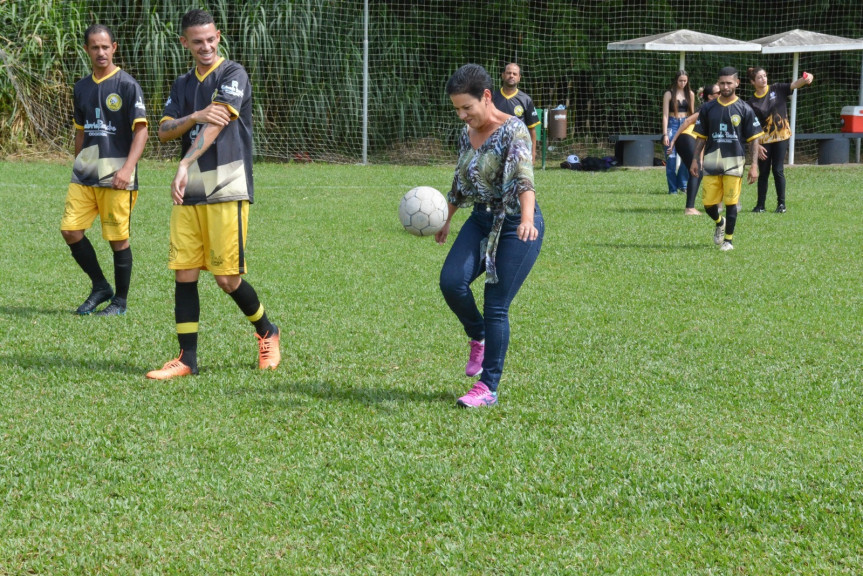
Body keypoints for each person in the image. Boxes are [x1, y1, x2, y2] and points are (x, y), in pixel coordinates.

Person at [147, 9, 280, 379]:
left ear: (218, 36)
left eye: (210, 39)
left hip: (226, 185)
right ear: (184, 43)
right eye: (197, 41)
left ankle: (268, 331)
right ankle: (186, 359)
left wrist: (185, 163)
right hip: (189, 193)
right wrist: (193, 116)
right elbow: (164, 130)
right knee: (185, 272)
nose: (205, 46)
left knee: (227, 279)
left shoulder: (232, 74)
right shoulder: (182, 84)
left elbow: (218, 122)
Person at [438, 64, 544, 408]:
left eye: (466, 107)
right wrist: (446, 218)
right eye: (457, 109)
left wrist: (527, 218)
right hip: (481, 219)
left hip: (516, 226)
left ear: (486, 96)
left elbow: (524, 178)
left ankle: (488, 386)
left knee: (496, 305)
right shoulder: (465, 133)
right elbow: (460, 181)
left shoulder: (513, 131)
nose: (462, 115)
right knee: (451, 281)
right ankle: (477, 334)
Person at [61, 24, 148, 316]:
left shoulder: (127, 85)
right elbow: (80, 132)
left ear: (114, 47)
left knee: (117, 239)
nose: (101, 52)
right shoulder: (81, 87)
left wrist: (127, 169)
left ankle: (119, 302)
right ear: (87, 50)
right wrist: (78, 163)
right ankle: (100, 286)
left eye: (105, 46)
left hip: (116, 175)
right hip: (85, 173)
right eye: (95, 47)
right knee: (70, 231)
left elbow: (142, 132)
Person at [691, 67, 763, 252]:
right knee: (708, 204)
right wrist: (694, 160)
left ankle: (728, 241)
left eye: (729, 83)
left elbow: (754, 139)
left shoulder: (745, 109)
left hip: (735, 160)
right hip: (712, 159)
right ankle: (719, 222)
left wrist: (754, 165)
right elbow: (701, 136)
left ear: (737, 83)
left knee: (731, 202)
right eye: (722, 83)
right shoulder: (708, 108)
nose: (725, 86)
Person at [747, 66, 814, 213]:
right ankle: (760, 206)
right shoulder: (751, 103)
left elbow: (794, 85)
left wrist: (806, 77)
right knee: (763, 172)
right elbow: (752, 127)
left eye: (765, 75)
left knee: (778, 169)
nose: (763, 79)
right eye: (759, 77)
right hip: (764, 141)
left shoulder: (776, 89)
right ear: (753, 82)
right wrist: (756, 146)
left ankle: (781, 205)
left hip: (781, 136)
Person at [668, 84, 721, 215]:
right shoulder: (706, 108)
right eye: (718, 92)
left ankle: (696, 206)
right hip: (686, 138)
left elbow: (704, 137)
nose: (721, 94)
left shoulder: (715, 109)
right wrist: (673, 140)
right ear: (710, 97)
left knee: (699, 170)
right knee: (697, 170)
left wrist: (701, 158)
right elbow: (687, 122)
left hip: (691, 140)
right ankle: (689, 208)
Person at [491, 63, 541, 163]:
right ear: (503, 75)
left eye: (514, 74)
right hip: (494, 148)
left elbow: (532, 130)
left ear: (519, 78)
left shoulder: (526, 100)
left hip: (518, 150)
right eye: (508, 73)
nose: (511, 76)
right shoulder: (492, 97)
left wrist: (533, 154)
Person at [661, 71, 695, 196]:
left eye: (685, 81)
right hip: (672, 125)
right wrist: (665, 134)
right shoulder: (668, 94)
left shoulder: (690, 94)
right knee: (671, 158)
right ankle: (672, 189)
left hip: (685, 125)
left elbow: (692, 115)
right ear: (676, 80)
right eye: (680, 80)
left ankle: (683, 183)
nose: (683, 83)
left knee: (688, 157)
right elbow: (665, 115)